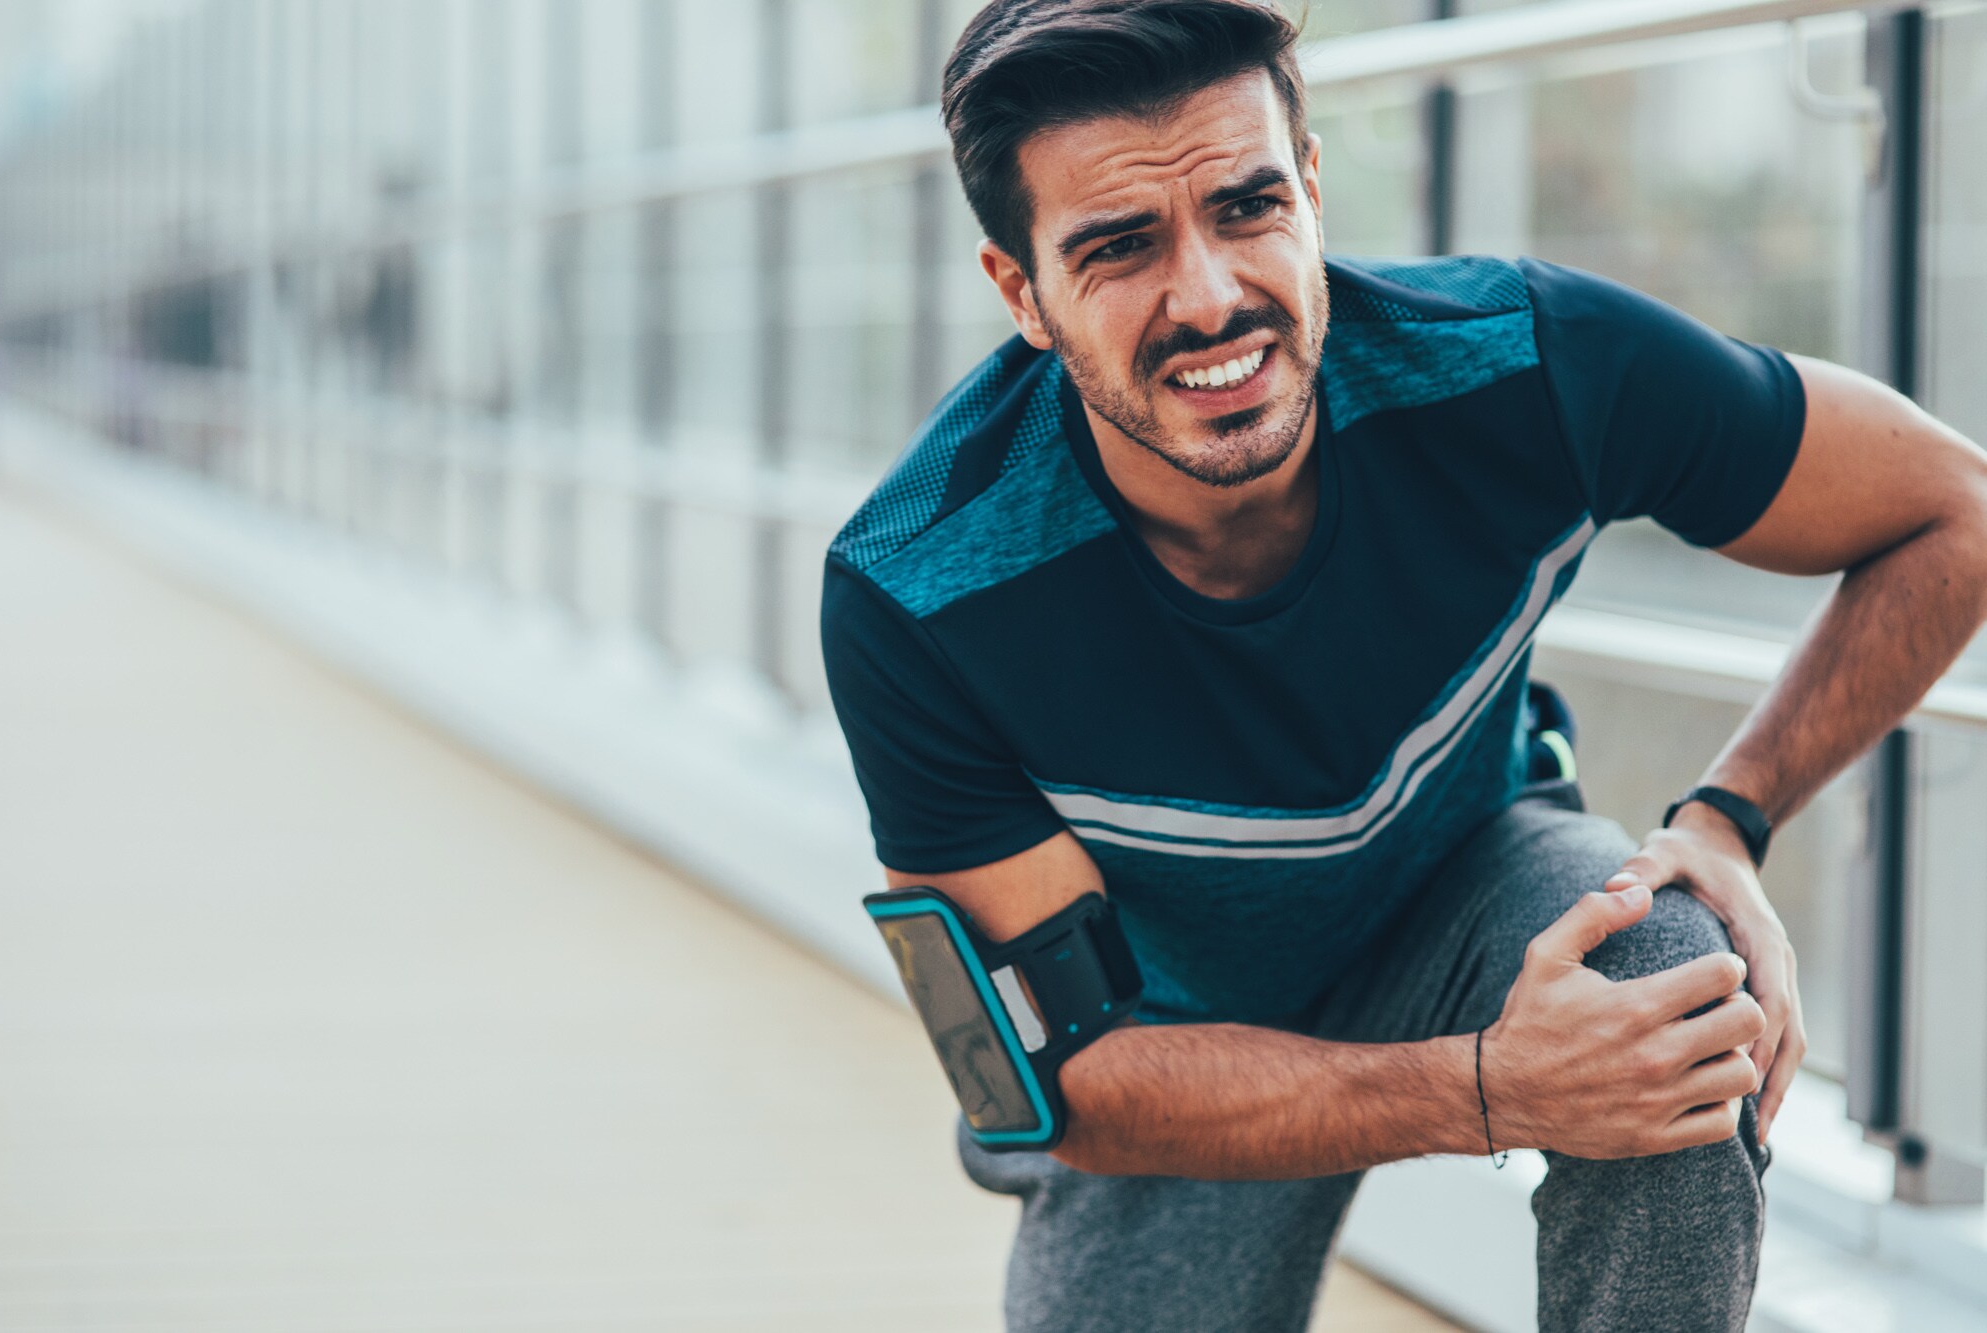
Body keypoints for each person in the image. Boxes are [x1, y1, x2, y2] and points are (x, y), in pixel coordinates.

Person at [818, 2, 1987, 1329]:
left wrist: (1729, 816)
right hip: (1182, 1025)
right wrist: (1482, 1085)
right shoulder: (915, 591)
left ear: (1312, 192)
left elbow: (1950, 507)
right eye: (1120, 248)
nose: (1207, 297)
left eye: (1248, 207)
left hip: (1471, 874)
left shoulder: (1529, 365)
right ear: (1020, 290)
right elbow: (1057, 1078)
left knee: (1668, 992)